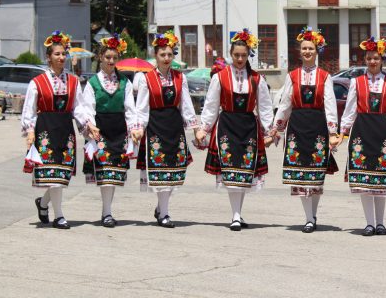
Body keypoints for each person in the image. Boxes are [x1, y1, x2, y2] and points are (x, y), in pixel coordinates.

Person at [196, 29, 275, 231]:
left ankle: (237, 214)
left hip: (249, 126)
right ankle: (236, 215)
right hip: (227, 127)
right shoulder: (220, 77)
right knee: (231, 173)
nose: (240, 59)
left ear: (249, 55)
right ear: (231, 54)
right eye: (236, 55)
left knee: (244, 172)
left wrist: (270, 131)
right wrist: (203, 129)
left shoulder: (256, 79)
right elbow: (211, 106)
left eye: (243, 55)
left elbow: (265, 108)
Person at [272, 27, 339, 233]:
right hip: (298, 126)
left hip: (317, 126)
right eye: (304, 48)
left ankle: (313, 214)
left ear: (317, 51)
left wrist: (333, 132)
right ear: (299, 52)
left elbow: (330, 104)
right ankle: (308, 218)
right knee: (301, 176)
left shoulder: (325, 76)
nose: (307, 51)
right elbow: (285, 104)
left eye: (311, 48)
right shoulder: (292, 75)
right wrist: (277, 128)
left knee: (316, 176)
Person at [335, 36, 386, 236]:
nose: (372, 61)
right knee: (365, 182)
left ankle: (380, 223)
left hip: (381, 132)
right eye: (369, 58)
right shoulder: (356, 82)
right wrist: (343, 132)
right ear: (365, 60)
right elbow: (349, 110)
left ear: (382, 59)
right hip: (362, 132)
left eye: (376, 58)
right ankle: (369, 223)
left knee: (380, 181)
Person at [133, 30, 199, 228]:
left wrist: (196, 128)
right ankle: (164, 214)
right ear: (156, 56)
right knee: (160, 171)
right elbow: (142, 107)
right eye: (163, 55)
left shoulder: (180, 78)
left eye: (170, 54)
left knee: (174, 171)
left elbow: (186, 105)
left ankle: (162, 207)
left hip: (174, 126)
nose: (167, 58)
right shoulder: (146, 79)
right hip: (156, 126)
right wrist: (138, 128)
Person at [22, 31, 86, 229]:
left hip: (65, 130)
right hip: (45, 130)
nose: (61, 57)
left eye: (63, 54)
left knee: (60, 176)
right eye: (57, 54)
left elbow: (79, 107)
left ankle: (42, 204)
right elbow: (29, 110)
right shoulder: (37, 82)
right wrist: (30, 131)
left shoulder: (74, 81)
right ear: (48, 57)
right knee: (53, 176)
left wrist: (88, 124)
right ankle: (59, 216)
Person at [79, 33, 137, 227]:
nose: (111, 61)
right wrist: (90, 125)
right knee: (104, 173)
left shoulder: (125, 82)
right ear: (100, 58)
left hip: (119, 130)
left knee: (113, 174)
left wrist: (134, 129)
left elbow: (130, 108)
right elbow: (88, 107)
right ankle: (107, 213)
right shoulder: (93, 83)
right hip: (100, 130)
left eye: (114, 58)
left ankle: (107, 211)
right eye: (107, 57)